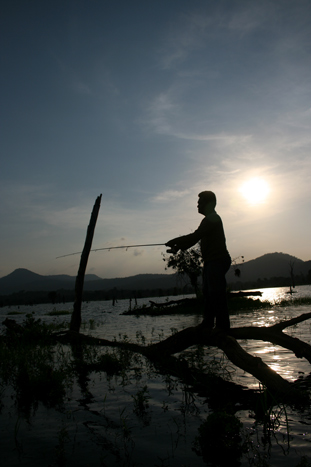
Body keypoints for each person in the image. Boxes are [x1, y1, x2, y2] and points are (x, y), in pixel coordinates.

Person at [165, 191, 231, 330]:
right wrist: (177, 246)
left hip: (217, 261)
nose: (197, 205)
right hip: (211, 262)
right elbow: (195, 238)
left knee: (216, 294)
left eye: (200, 203)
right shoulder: (208, 219)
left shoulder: (213, 218)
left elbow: (195, 236)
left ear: (209, 203)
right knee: (208, 293)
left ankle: (222, 328)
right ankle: (209, 324)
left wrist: (176, 241)